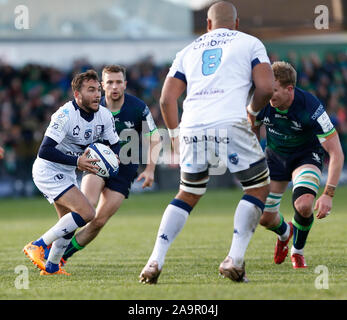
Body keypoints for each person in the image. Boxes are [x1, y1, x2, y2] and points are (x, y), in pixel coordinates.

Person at [139, 1, 274, 284]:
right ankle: (234, 260)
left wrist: (175, 135)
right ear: (236, 24)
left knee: (187, 193)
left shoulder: (188, 50)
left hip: (192, 125)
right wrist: (252, 112)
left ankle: (155, 260)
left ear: (208, 25)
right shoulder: (250, 43)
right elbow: (266, 87)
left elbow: (166, 99)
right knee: (258, 188)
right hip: (230, 121)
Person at [56, 65, 160, 263]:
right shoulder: (94, 106)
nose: (114, 86)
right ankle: (50, 245)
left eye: (118, 82)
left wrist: (150, 170)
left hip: (125, 170)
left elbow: (154, 137)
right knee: (86, 209)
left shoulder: (138, 108)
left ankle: (61, 257)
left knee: (98, 221)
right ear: (102, 85)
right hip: (97, 165)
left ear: (125, 84)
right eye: (110, 82)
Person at [23, 70, 120, 275]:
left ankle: (51, 267)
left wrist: (114, 158)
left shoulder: (104, 115)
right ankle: (38, 245)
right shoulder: (64, 115)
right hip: (47, 170)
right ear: (77, 95)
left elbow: (114, 143)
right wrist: (78, 161)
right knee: (87, 213)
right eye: (91, 90)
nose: (97, 95)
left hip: (67, 172)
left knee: (68, 224)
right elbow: (45, 150)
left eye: (98, 90)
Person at [249, 61, 344, 268]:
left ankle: (297, 251)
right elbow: (252, 128)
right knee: (265, 218)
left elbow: (336, 152)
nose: (269, 95)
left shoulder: (311, 107)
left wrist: (328, 194)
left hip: (306, 157)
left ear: (289, 89)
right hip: (275, 157)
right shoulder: (261, 100)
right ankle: (285, 232)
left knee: (303, 205)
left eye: (274, 91)